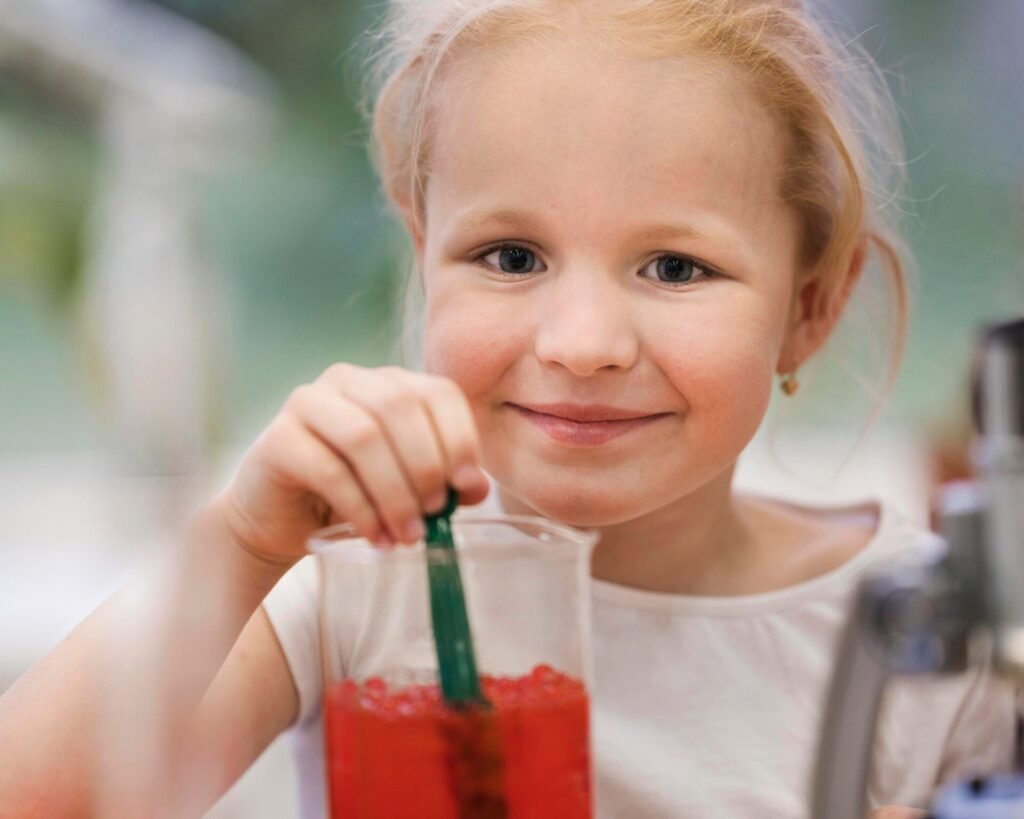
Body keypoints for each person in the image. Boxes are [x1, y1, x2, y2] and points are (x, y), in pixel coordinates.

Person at [0, 1, 1014, 817]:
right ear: (421, 252)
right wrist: (241, 541)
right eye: (510, 257)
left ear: (807, 310)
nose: (582, 342)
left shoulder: (916, 640)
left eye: (674, 266)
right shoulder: (359, 586)